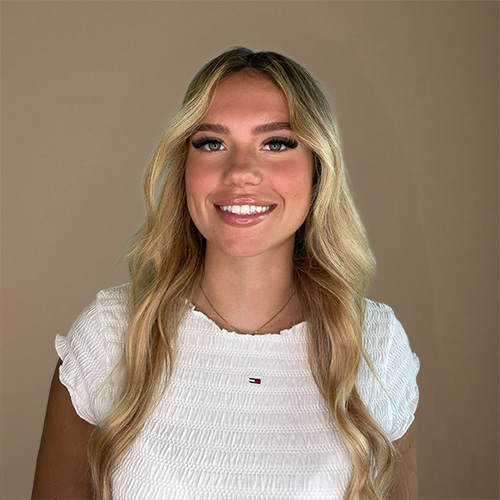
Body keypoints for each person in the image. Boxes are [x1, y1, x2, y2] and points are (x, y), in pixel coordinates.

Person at [32, 47, 419, 500]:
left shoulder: (375, 346)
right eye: (211, 143)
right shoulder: (111, 335)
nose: (240, 173)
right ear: (185, 169)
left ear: (318, 170)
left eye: (276, 143)